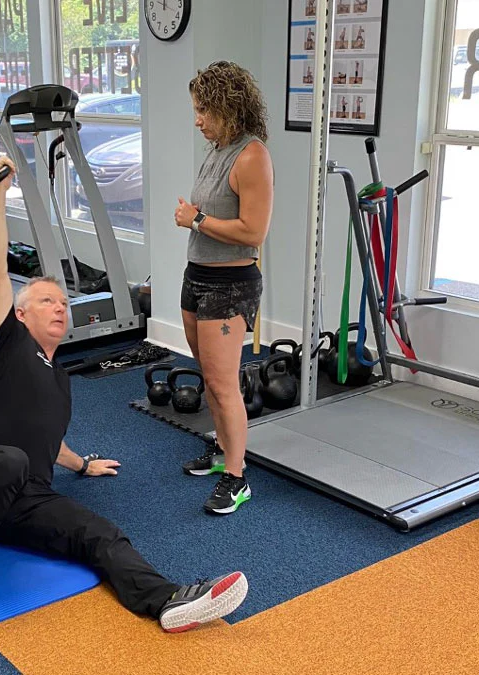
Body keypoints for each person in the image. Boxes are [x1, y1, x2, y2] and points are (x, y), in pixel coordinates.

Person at [0, 157, 248, 632]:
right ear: (19, 314)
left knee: (100, 532)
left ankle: (169, 602)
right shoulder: (6, 344)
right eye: (44, 301)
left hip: (27, 499)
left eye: (62, 302)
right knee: (10, 461)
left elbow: (44, 440)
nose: (58, 307)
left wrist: (82, 465)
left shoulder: (60, 378)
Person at [174, 61, 274, 515]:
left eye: (203, 111)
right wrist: (198, 218)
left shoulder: (251, 155)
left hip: (230, 284)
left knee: (223, 383)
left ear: (227, 107)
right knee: (210, 380)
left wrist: (196, 219)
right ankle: (221, 453)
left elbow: (254, 232)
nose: (197, 120)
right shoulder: (217, 148)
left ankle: (237, 477)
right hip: (197, 276)